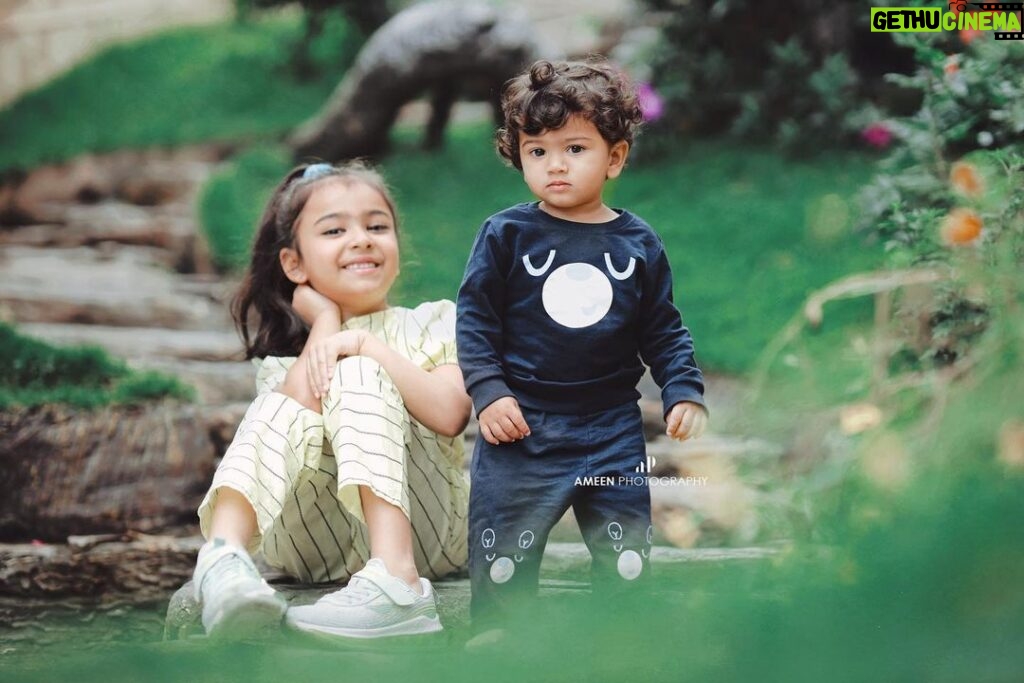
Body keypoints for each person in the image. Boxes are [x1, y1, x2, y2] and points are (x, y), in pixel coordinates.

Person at [456, 59, 708, 627]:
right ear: (517, 155)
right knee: (504, 548)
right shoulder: (506, 235)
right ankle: (501, 637)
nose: (555, 166)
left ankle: (619, 639)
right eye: (537, 151)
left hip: (611, 429)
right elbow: (475, 319)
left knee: (624, 553)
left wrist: (683, 388)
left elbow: (662, 327)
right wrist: (489, 392)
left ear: (614, 157)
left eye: (574, 148)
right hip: (522, 428)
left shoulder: (638, 243)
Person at [191, 161, 472, 640]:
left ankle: (396, 581)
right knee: (282, 403)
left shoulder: (434, 322)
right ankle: (222, 559)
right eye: (335, 229)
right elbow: (288, 419)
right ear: (294, 265)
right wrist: (326, 323)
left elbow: (451, 413)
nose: (361, 238)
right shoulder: (287, 362)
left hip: (431, 536)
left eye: (377, 226)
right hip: (312, 548)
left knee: (360, 369)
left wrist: (365, 346)